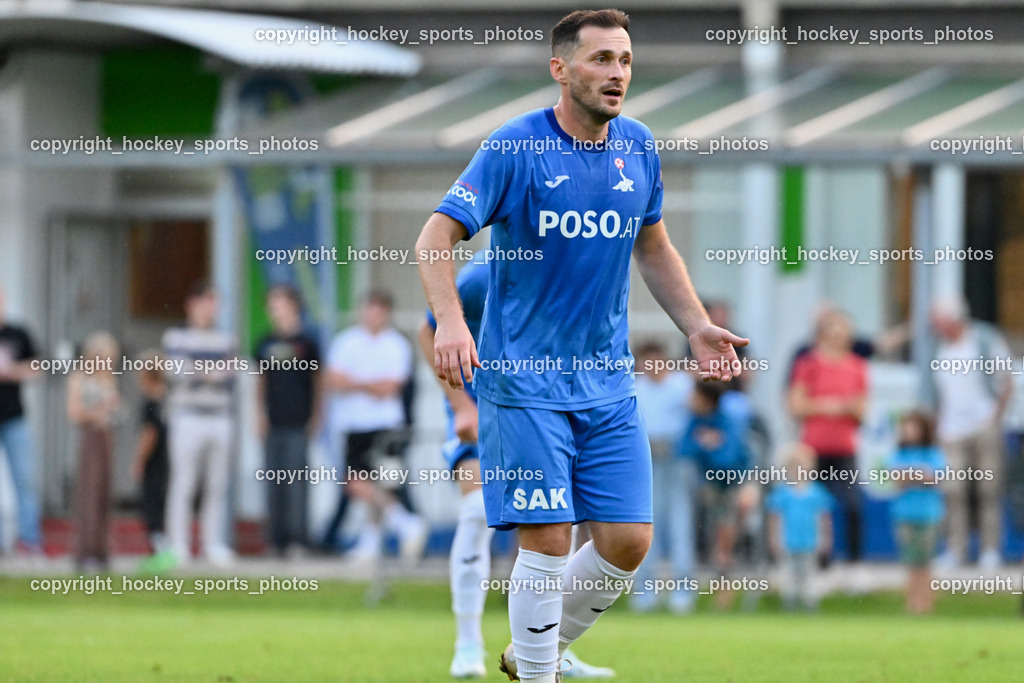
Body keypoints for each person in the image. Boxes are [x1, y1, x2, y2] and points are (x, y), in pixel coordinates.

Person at [415, 10, 748, 681]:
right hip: (524, 384)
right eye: (600, 59)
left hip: (606, 382)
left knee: (628, 541)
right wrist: (450, 321)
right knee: (547, 538)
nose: (617, 74)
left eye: (624, 60)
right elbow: (434, 238)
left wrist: (694, 325)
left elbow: (652, 245)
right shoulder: (515, 148)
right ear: (560, 69)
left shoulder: (639, 147)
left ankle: (530, 652)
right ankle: (539, 670)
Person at [418, 254, 615, 679]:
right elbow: (428, 327)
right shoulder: (482, 274)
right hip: (481, 410)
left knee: (564, 527)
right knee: (474, 513)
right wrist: (459, 405)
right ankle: (467, 642)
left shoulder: (575, 267)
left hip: (544, 412)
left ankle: (552, 647)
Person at [322, 291, 425, 561]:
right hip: (354, 425)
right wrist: (369, 384)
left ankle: (382, 535)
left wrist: (356, 383)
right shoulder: (345, 342)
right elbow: (335, 380)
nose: (371, 316)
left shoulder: (396, 345)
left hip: (385, 426)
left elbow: (389, 387)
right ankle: (400, 525)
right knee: (357, 483)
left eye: (377, 311)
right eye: (368, 310)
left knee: (383, 483)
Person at [930, 297, 1013, 570]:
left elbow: (1006, 380)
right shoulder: (939, 350)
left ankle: (990, 550)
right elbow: (940, 393)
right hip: (952, 431)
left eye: (938, 320)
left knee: (988, 489)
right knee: (954, 491)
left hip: (983, 425)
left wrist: (995, 416)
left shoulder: (985, 339)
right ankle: (956, 549)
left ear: (953, 319)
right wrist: (939, 425)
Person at [162, 282, 239, 567]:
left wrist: (203, 371)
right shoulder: (177, 337)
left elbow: (231, 374)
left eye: (215, 303)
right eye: (207, 302)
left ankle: (213, 545)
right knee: (184, 483)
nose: (212, 309)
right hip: (188, 416)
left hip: (219, 417)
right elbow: (178, 371)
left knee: (217, 484)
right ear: (192, 304)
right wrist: (210, 372)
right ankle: (178, 546)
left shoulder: (225, 340)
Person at [788, 309, 868, 563]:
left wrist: (831, 406)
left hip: (845, 447)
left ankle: (855, 561)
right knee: (814, 507)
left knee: (853, 505)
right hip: (813, 448)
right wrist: (831, 406)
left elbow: (861, 410)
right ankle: (818, 560)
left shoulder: (857, 366)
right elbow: (796, 406)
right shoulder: (807, 364)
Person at [631, 341, 698, 614]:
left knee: (681, 525)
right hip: (646, 462)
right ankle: (645, 591)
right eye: (647, 362)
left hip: (678, 460)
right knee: (646, 525)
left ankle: (683, 591)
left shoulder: (684, 385)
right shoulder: (635, 388)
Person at [255, 284, 320, 557]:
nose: (274, 309)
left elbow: (319, 383)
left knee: (296, 482)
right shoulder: (264, 343)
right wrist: (258, 413)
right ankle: (276, 540)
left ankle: (298, 539)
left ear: (293, 306)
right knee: (273, 482)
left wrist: (316, 417)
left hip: (299, 421)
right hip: (274, 422)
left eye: (279, 303)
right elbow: (259, 382)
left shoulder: (307, 342)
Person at [679, 382, 751, 609]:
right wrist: (706, 443)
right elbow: (682, 448)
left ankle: (725, 594)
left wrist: (706, 445)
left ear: (706, 399)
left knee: (725, 542)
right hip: (709, 490)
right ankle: (719, 593)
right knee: (715, 541)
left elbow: (728, 460)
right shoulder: (696, 420)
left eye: (694, 395)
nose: (689, 400)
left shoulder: (729, 421)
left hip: (731, 488)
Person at [67, 332, 121, 570]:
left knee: (103, 496)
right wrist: (101, 408)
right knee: (89, 493)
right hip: (90, 436)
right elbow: (75, 413)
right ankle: (85, 549)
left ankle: (101, 550)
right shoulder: (79, 378)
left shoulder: (107, 378)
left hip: (106, 436)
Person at [886, 411, 946, 614]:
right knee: (910, 562)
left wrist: (912, 474)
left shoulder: (933, 454)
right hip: (904, 515)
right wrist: (919, 474)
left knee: (926, 562)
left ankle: (926, 603)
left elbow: (935, 477)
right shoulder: (898, 455)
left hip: (928, 515)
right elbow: (896, 478)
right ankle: (911, 603)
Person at [0, 285, 43, 556]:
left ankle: (30, 540)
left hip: (14, 417)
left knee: (24, 479)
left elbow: (39, 366)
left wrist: (13, 371)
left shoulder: (19, 333)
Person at [766, 443, 833, 611]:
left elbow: (824, 518)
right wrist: (773, 539)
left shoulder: (817, 492)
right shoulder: (782, 493)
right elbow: (775, 518)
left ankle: (810, 606)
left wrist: (826, 539)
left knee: (809, 576)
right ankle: (790, 605)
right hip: (788, 541)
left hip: (810, 541)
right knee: (789, 576)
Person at [132, 350, 169, 561]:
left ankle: (159, 546)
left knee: (151, 503)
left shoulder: (150, 402)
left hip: (154, 461)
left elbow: (149, 434)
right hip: (167, 459)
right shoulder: (167, 398)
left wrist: (139, 459)